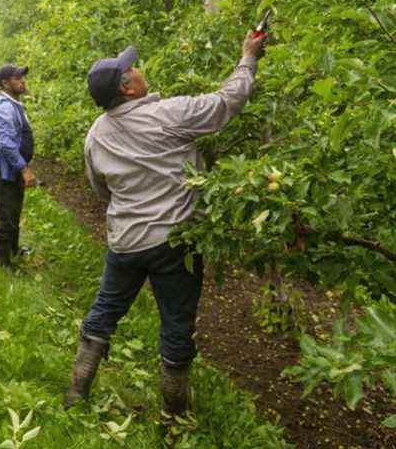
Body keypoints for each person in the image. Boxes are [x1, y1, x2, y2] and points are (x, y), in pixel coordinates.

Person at [64, 31, 267, 416]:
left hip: (125, 241)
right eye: (132, 68)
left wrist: (130, 207)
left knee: (106, 309)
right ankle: (175, 411)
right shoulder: (170, 114)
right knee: (176, 320)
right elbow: (229, 101)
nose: (139, 70)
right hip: (174, 241)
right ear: (127, 88)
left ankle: (77, 390)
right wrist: (248, 56)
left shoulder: (96, 135)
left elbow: (100, 187)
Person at [0, 64, 38, 270]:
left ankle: (13, 250)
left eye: (22, 77)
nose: (22, 80)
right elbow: (6, 143)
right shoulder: (4, 107)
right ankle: (2, 263)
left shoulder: (13, 104)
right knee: (6, 215)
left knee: (14, 211)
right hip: (5, 171)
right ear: (4, 83)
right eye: (17, 78)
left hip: (12, 169)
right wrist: (24, 169)